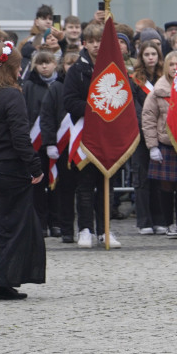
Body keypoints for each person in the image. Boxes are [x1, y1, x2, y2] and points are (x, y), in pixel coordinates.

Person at [0, 41, 46, 300]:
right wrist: (35, 166)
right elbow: (20, 137)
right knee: (11, 227)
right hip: (9, 171)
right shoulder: (12, 95)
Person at [62, 22, 120, 248]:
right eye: (92, 41)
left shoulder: (115, 67)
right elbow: (69, 101)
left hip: (109, 134)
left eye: (100, 41)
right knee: (85, 185)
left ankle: (105, 230)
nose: (96, 46)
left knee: (107, 183)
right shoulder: (77, 70)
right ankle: (85, 229)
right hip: (85, 133)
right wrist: (95, 108)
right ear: (84, 44)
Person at [143, 52, 177, 238]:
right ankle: (168, 224)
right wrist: (152, 146)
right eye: (171, 64)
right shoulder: (158, 91)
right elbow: (148, 119)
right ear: (166, 67)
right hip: (164, 143)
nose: (175, 68)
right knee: (166, 187)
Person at [39, 51, 79, 242]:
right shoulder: (56, 88)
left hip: (82, 146)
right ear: (63, 66)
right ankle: (66, 230)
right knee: (65, 190)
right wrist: (49, 143)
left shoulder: (87, 86)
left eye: (75, 63)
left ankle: (89, 228)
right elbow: (46, 117)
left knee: (85, 190)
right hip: (62, 148)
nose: (71, 67)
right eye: (68, 63)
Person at [131, 40, 165, 235]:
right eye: (147, 54)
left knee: (159, 179)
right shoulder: (135, 80)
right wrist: (145, 130)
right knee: (142, 177)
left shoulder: (164, 78)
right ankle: (144, 221)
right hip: (141, 134)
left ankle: (159, 219)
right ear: (141, 57)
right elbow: (136, 109)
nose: (151, 57)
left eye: (154, 54)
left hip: (161, 133)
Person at [22, 51, 58, 234]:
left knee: (56, 183)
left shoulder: (59, 85)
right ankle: (40, 223)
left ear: (55, 64)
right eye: (40, 63)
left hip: (56, 141)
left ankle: (56, 222)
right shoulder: (28, 85)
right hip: (35, 141)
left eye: (48, 62)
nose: (44, 66)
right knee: (38, 184)